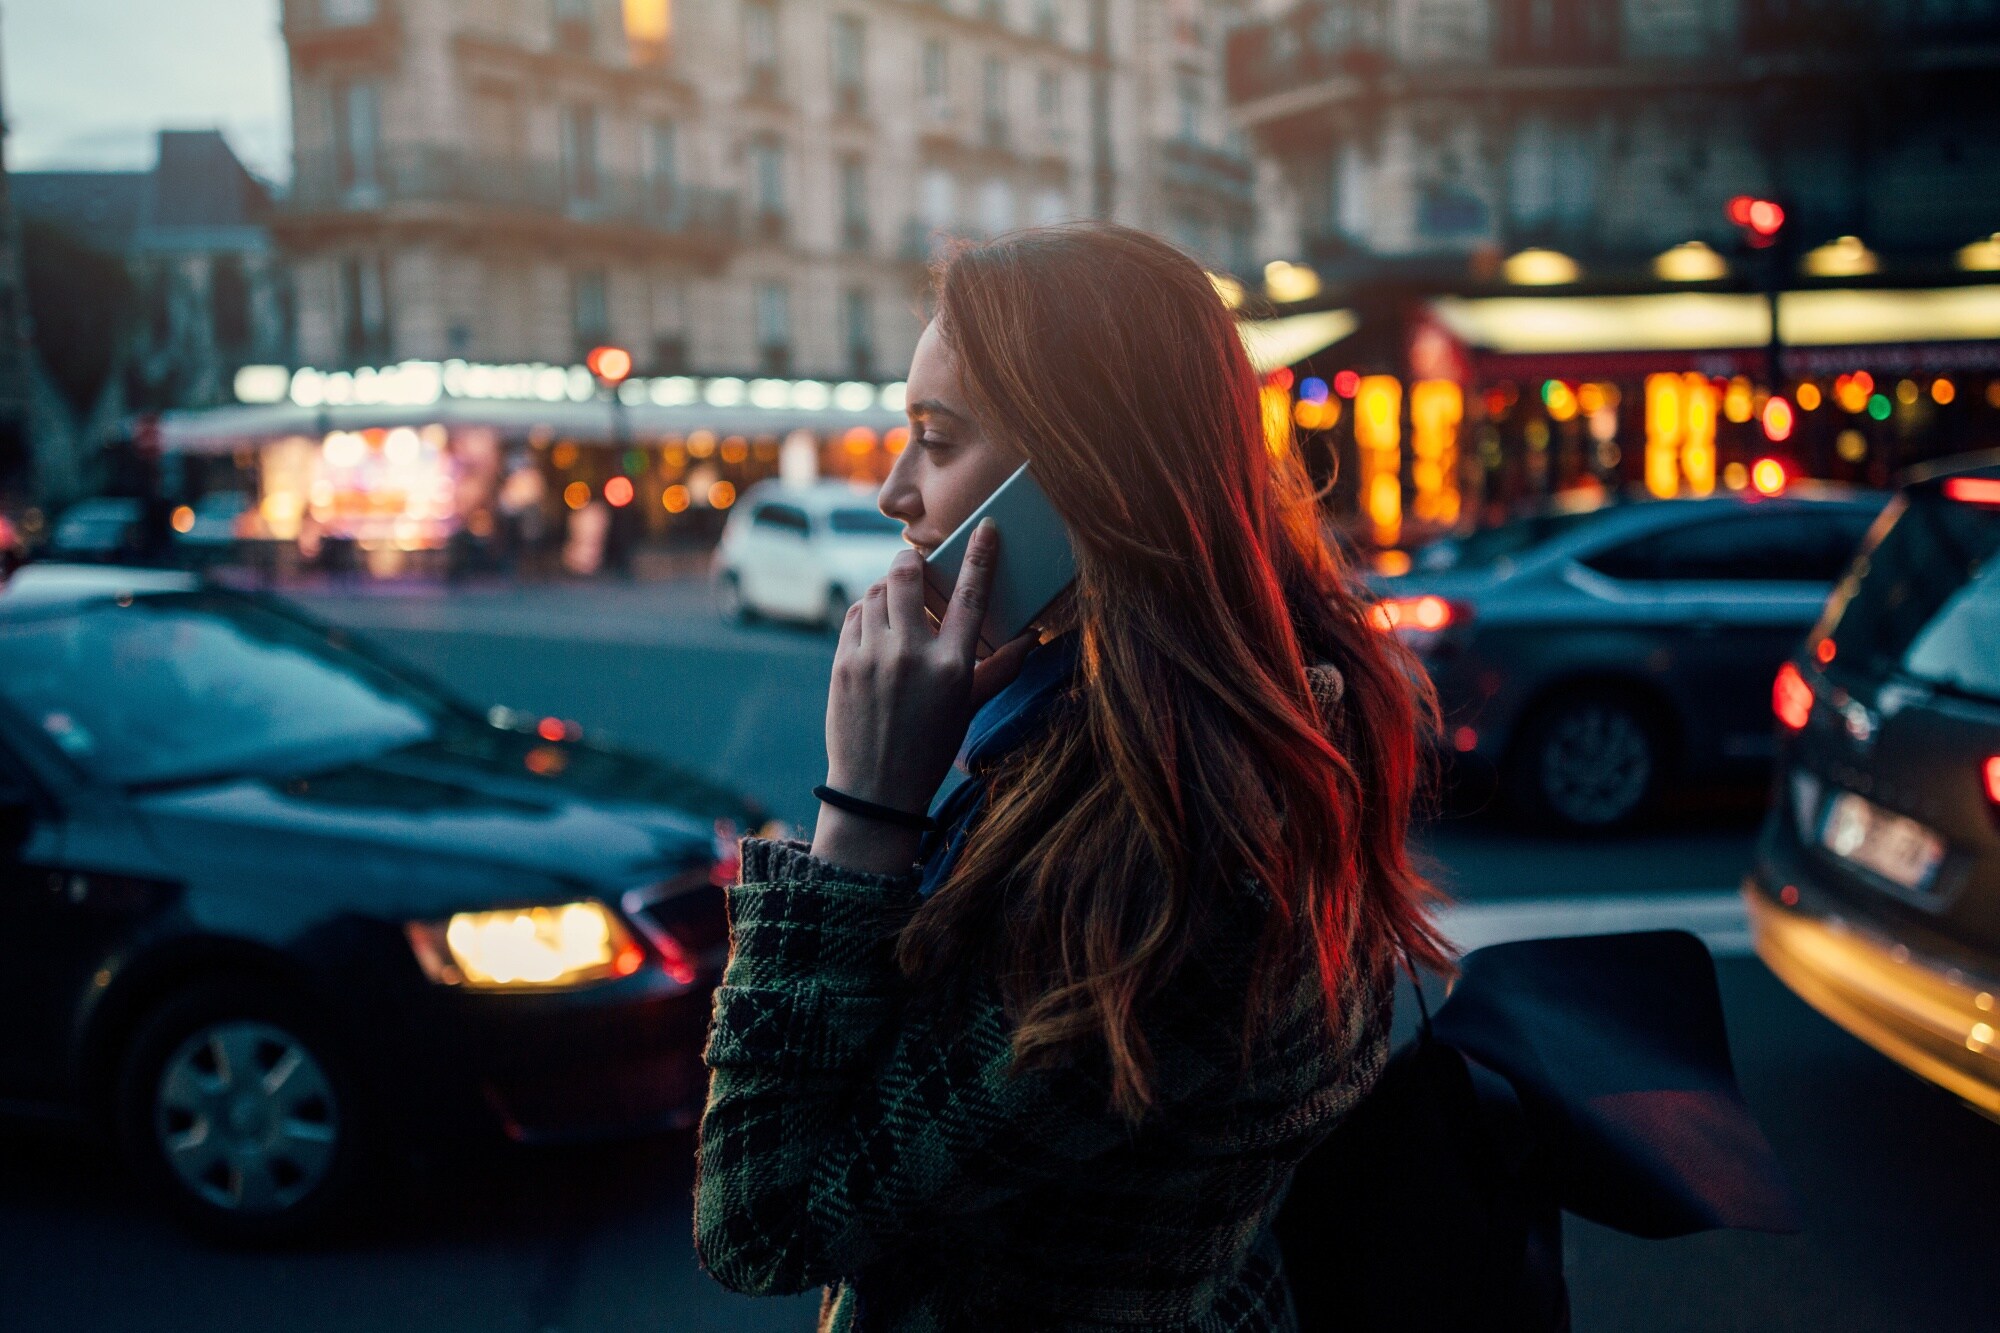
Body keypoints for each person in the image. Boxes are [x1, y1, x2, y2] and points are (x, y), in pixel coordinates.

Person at [694, 223, 1449, 1331]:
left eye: (935, 439)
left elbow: (761, 1220)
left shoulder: (1183, 850)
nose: (894, 490)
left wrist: (862, 810)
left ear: (1079, 477)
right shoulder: (1154, 726)